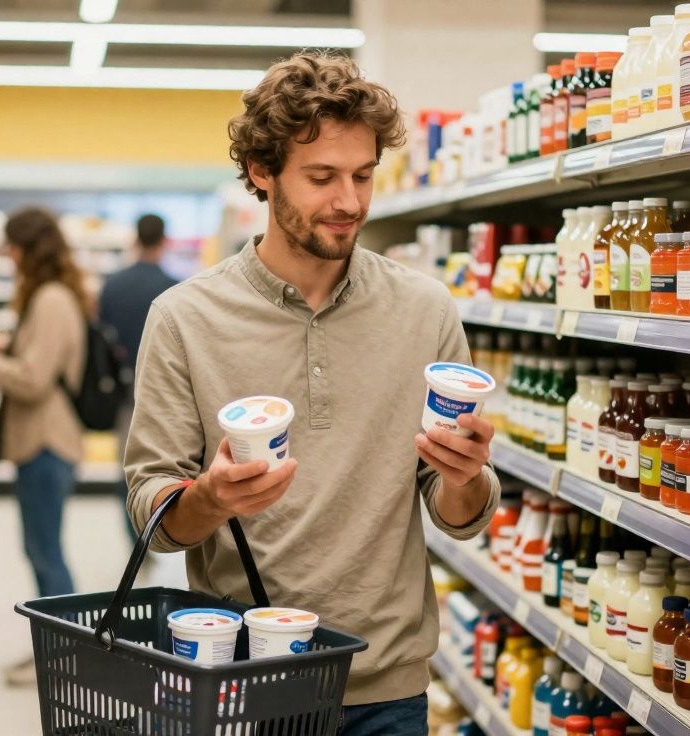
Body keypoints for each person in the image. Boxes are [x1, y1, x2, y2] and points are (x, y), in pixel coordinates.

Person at [123, 52, 499, 735]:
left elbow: (458, 515)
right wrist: (206, 499)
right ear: (262, 174)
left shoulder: (424, 309)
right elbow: (151, 504)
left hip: (386, 685)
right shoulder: (185, 316)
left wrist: (466, 476)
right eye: (322, 177)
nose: (349, 201)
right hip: (242, 680)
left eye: (362, 175)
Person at [0, 207, 88, 686]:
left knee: (46, 552)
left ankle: (65, 655)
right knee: (41, 549)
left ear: (29, 247)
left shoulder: (50, 298)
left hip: (48, 443)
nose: (7, 254)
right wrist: (1, 344)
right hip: (42, 443)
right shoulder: (52, 295)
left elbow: (32, 381)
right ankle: (54, 648)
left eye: (11, 245)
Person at [98, 214, 179, 543]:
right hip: (163, 392)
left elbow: (102, 337)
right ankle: (154, 533)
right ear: (164, 241)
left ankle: (133, 536)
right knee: (160, 466)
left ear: (136, 239)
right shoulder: (174, 288)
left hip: (124, 390)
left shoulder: (113, 285)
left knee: (128, 465)